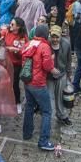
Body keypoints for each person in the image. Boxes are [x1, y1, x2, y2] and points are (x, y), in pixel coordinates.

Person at [21, 24, 58, 152]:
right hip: (39, 83)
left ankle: (27, 133)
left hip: (27, 82)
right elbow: (47, 66)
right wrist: (55, 69)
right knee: (47, 111)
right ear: (46, 34)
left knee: (29, 107)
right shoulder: (45, 47)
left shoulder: (29, 44)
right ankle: (43, 141)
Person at [47, 24, 73, 126]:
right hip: (49, 76)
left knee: (60, 97)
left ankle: (62, 115)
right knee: (49, 97)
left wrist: (69, 73)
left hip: (61, 74)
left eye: (57, 37)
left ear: (60, 36)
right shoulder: (47, 45)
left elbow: (69, 60)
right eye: (53, 36)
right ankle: (47, 116)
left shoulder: (66, 44)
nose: (55, 39)